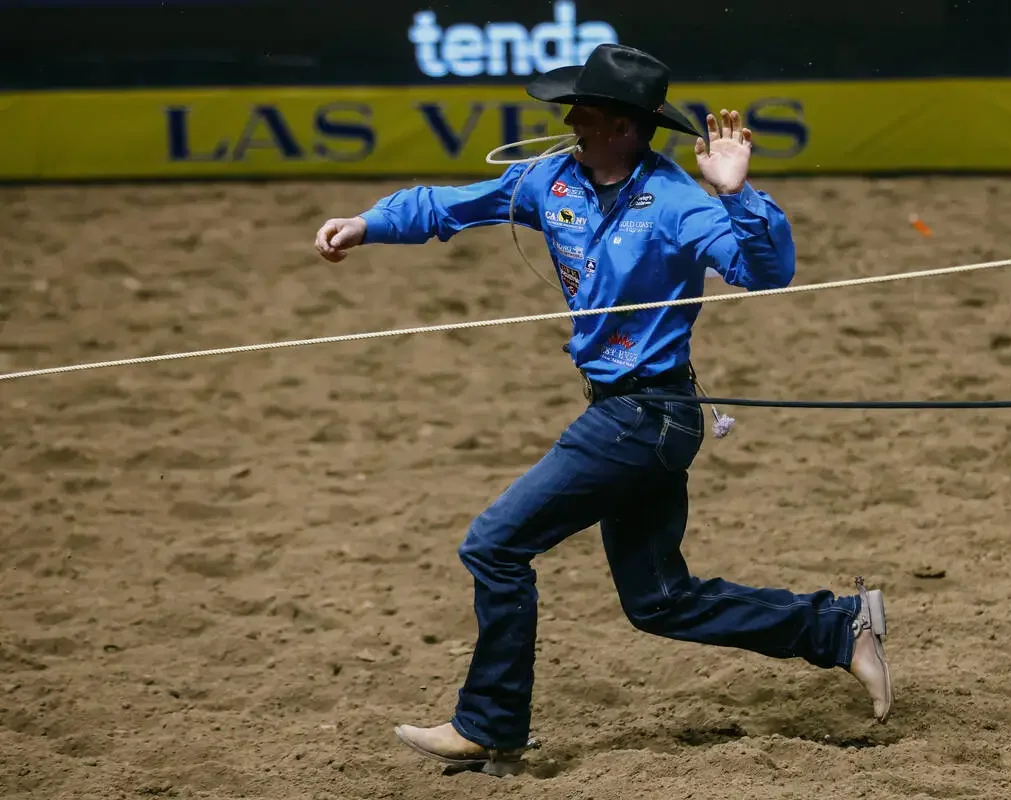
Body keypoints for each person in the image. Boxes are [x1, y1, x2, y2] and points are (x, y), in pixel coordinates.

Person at [314, 43, 893, 776]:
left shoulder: (678, 201)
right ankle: (839, 626)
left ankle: (488, 726)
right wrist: (368, 223)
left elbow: (766, 272)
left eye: (582, 111)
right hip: (638, 417)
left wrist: (737, 195)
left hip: (645, 417)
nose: (568, 122)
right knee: (660, 601)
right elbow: (449, 205)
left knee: (494, 546)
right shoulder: (550, 179)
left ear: (621, 126)